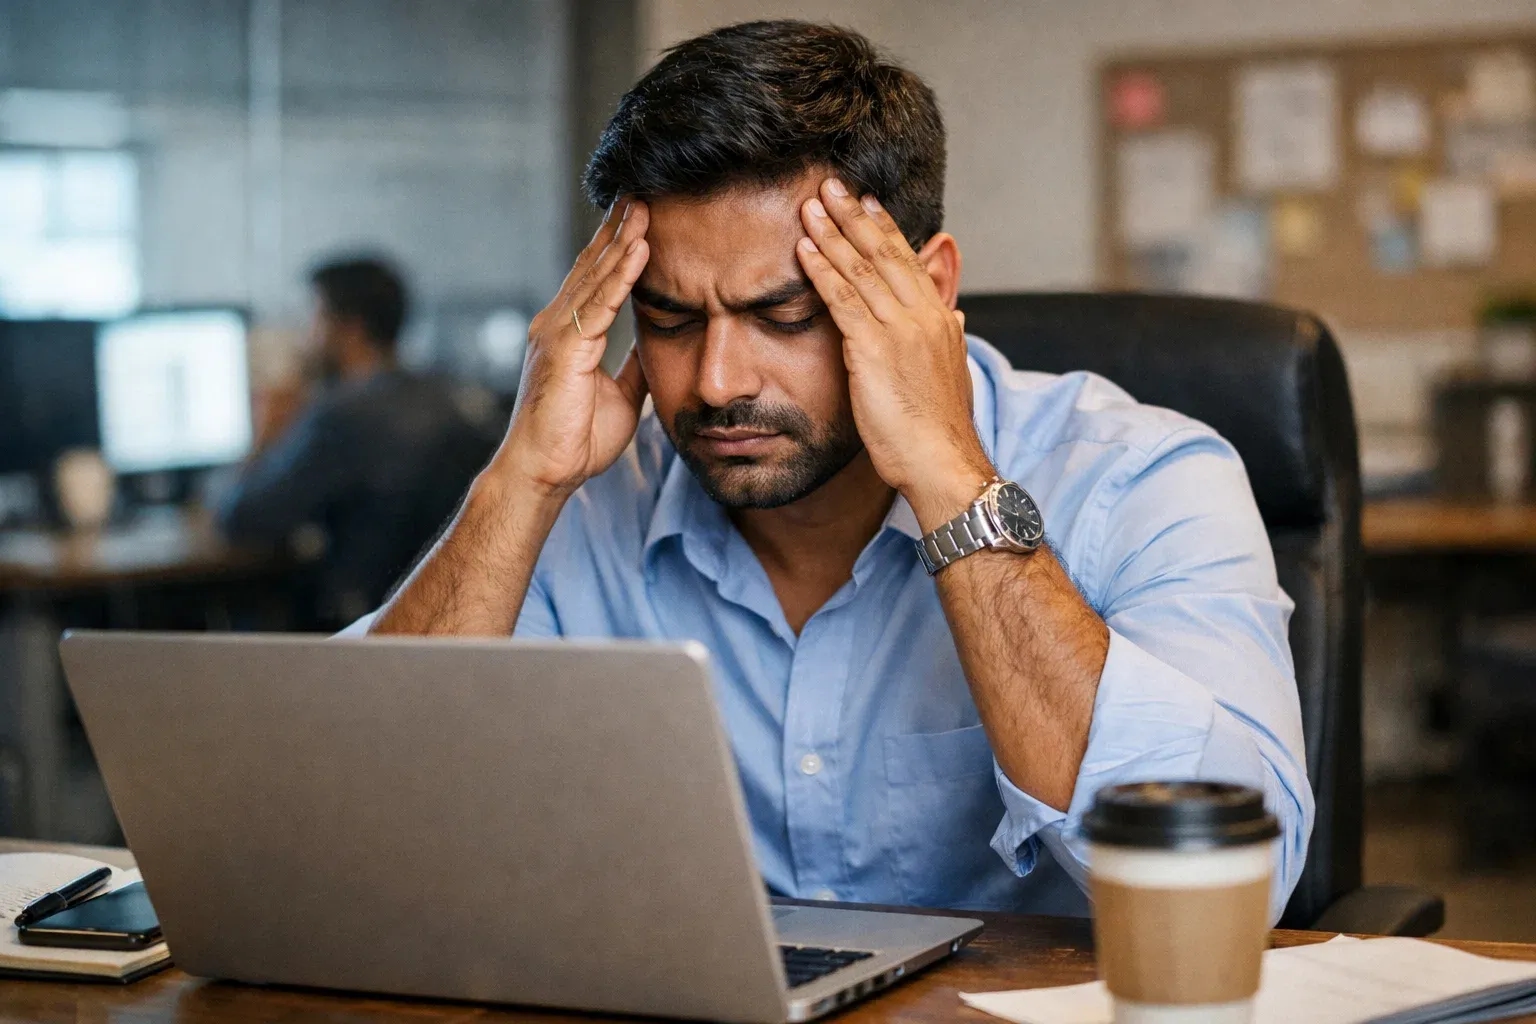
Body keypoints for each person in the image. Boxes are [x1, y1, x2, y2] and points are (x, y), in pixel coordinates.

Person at [351, 21, 1312, 919]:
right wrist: (522, 479)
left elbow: (1234, 881)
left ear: (925, 291)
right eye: (673, 321)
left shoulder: (1140, 477)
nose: (719, 383)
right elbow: (356, 823)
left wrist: (949, 481)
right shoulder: (591, 499)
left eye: (786, 316)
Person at [219, 256, 498, 629]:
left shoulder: (339, 416)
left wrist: (266, 436)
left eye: (314, 319)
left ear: (348, 329)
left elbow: (242, 518)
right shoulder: (449, 396)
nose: (306, 337)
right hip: (442, 612)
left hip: (356, 623)